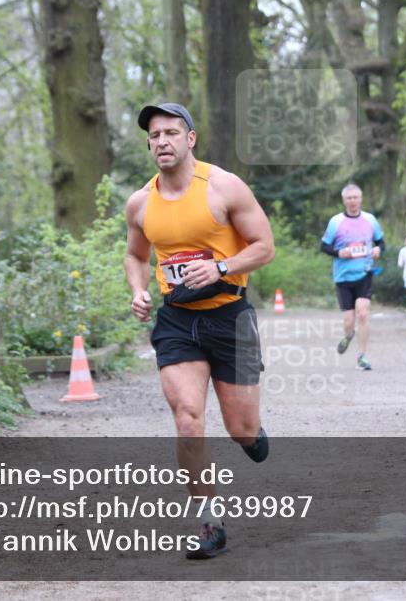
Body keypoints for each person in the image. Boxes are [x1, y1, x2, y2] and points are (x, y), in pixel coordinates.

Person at [124, 102, 275, 559]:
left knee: (240, 428)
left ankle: (251, 434)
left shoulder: (223, 187)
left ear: (190, 139)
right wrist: (137, 290)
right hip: (177, 321)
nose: (162, 141)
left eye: (171, 132)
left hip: (231, 316)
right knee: (188, 417)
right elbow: (136, 256)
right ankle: (210, 523)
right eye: (154, 135)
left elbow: (265, 247)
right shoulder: (140, 203)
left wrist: (221, 267)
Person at [320, 183, 385, 370]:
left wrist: (377, 249)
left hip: (365, 272)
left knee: (363, 313)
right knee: (349, 320)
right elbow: (324, 246)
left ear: (361, 198)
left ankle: (362, 356)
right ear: (344, 200)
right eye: (349, 198)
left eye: (355, 197)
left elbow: (381, 242)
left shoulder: (370, 220)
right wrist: (340, 253)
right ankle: (349, 336)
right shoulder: (336, 222)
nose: (353, 201)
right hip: (342, 277)